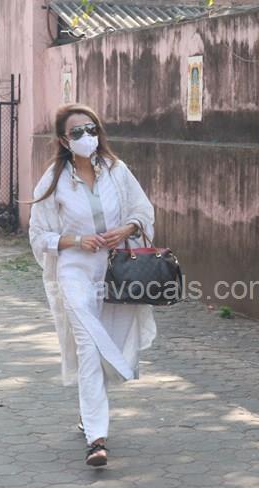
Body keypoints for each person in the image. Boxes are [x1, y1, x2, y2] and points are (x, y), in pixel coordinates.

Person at [29, 103, 156, 467]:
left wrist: (126, 229)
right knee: (88, 345)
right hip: (75, 272)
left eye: (91, 129)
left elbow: (143, 211)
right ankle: (96, 439)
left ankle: (89, 414)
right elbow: (39, 235)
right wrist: (75, 240)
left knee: (106, 345)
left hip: (116, 272)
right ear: (63, 140)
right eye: (77, 132)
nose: (86, 137)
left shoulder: (117, 171)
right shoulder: (53, 180)